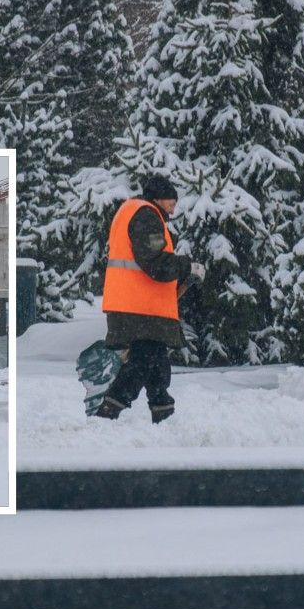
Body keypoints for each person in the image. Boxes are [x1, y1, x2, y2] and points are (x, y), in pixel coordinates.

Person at [93, 176, 206, 424]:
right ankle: (108, 412)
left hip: (134, 304)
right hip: (138, 307)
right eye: (171, 202)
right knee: (143, 361)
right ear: (158, 198)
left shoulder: (133, 210)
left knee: (156, 361)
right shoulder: (147, 215)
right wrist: (187, 267)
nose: (173, 209)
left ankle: (163, 413)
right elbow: (155, 263)